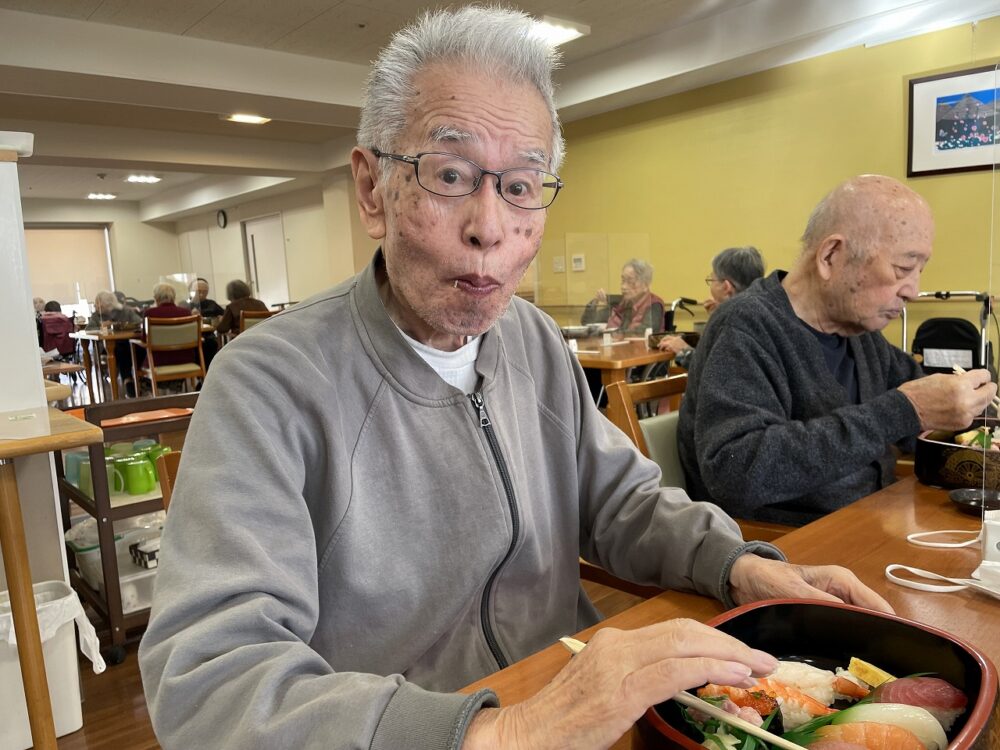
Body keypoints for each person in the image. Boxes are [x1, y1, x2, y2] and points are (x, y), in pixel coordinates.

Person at [139, 10, 892, 750]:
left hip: (576, 704)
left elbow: (621, 502)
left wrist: (737, 566)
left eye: (523, 185)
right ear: (372, 191)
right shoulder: (267, 381)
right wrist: (513, 730)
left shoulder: (529, 339)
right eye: (450, 174)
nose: (490, 226)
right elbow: (208, 680)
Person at [678, 175, 997, 527]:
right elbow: (733, 473)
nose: (914, 291)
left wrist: (972, 412)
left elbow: (921, 418)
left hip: (873, 522)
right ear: (831, 255)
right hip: (785, 547)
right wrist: (903, 410)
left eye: (920, 270)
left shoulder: (857, 329)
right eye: (904, 268)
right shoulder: (746, 326)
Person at [658, 246, 765, 368]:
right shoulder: (761, 311)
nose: (710, 285)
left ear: (726, 287)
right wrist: (717, 314)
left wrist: (684, 350)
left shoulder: (733, 320)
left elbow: (717, 370)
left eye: (711, 280)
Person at [589, 259, 665, 334]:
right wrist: (596, 302)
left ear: (645, 285)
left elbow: (645, 331)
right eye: (623, 280)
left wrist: (615, 332)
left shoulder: (655, 304)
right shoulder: (625, 303)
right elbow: (588, 321)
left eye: (630, 281)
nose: (623, 287)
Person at [183, 277, 224, 368]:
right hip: (189, 337)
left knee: (211, 344)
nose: (201, 294)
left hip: (208, 335)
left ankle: (206, 374)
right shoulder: (184, 304)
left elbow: (223, 315)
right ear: (191, 291)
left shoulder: (212, 303)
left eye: (205, 292)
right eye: (198, 291)